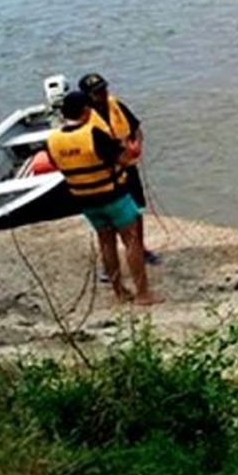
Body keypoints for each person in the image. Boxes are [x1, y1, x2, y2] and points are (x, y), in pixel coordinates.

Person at [46, 91, 160, 306]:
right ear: (87, 111)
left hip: (85, 200)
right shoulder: (93, 134)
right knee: (132, 241)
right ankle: (143, 293)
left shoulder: (53, 140)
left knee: (106, 242)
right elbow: (125, 159)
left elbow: (55, 164)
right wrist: (126, 149)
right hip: (113, 196)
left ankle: (119, 292)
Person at [78, 73, 160, 267]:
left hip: (128, 169)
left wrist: (136, 145)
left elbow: (136, 129)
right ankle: (111, 264)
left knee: (136, 211)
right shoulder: (84, 117)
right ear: (88, 96)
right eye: (97, 92)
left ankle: (141, 249)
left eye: (104, 89)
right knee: (110, 224)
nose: (103, 94)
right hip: (105, 175)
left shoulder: (116, 106)